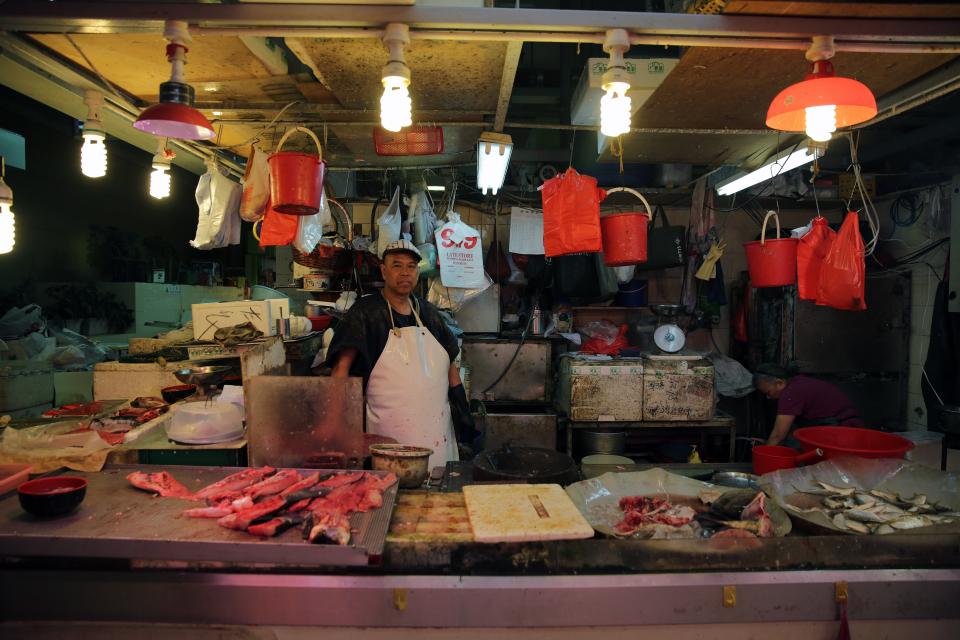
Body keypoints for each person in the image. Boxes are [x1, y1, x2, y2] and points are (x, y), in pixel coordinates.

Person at [322, 240, 476, 469]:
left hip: (436, 433)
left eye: (411, 266)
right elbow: (341, 369)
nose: (405, 273)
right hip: (388, 436)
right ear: (384, 271)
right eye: (397, 265)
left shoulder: (429, 313)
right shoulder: (366, 313)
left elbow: (450, 365)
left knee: (437, 493)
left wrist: (463, 414)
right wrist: (335, 422)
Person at [753, 363, 864, 446]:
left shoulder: (790, 393)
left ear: (779, 383)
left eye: (768, 392)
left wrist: (766, 452)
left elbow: (778, 435)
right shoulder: (797, 383)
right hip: (844, 429)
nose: (768, 397)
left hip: (843, 433)